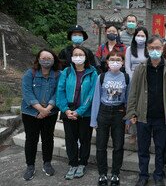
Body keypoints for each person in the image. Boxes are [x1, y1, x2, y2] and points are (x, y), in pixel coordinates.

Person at [124, 36, 166, 186]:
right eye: (152, 48)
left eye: (158, 48)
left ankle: (158, 175)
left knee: (160, 149)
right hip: (142, 115)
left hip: (162, 117)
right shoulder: (141, 68)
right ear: (148, 49)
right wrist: (132, 112)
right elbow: (133, 92)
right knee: (143, 149)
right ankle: (143, 175)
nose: (155, 51)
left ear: (162, 49)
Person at [56, 46, 98, 180]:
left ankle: (82, 163)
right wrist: (65, 109)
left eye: (81, 54)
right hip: (68, 111)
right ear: (72, 57)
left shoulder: (92, 73)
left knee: (85, 139)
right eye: (75, 54)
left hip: (85, 113)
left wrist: (79, 111)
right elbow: (60, 92)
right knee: (70, 139)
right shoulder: (66, 72)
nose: (78, 57)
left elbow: (92, 95)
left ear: (86, 57)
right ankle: (73, 163)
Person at [90, 50, 130, 186]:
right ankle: (102, 174)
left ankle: (115, 174)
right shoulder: (101, 77)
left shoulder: (126, 77)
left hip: (119, 113)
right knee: (101, 146)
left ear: (122, 62)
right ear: (107, 62)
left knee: (118, 146)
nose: (115, 62)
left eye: (118, 59)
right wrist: (93, 119)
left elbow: (128, 100)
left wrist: (129, 119)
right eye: (112, 59)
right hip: (103, 112)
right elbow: (96, 99)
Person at [21, 49, 60, 181]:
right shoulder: (29, 74)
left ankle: (47, 163)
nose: (46, 60)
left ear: (54, 59)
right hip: (30, 113)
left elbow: (58, 92)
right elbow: (27, 92)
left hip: (50, 112)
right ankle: (30, 166)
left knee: (48, 138)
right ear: (38, 59)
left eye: (49, 58)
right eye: (43, 58)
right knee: (31, 139)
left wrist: (47, 109)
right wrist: (39, 109)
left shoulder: (57, 75)